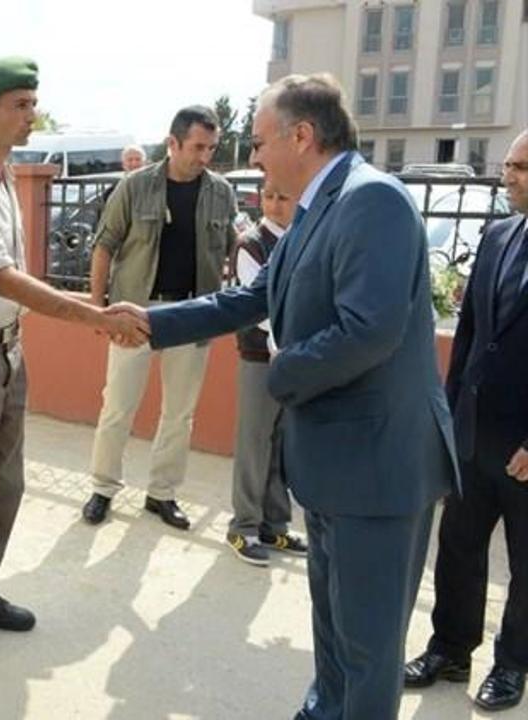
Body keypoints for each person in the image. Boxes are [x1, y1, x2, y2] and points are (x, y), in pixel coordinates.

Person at [107, 73, 458, 719]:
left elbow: (369, 330)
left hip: (377, 468)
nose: (254, 156)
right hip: (332, 463)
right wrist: (153, 322)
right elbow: (253, 296)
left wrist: (279, 373)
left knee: (367, 647)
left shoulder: (372, 200)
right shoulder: (320, 205)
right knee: (333, 631)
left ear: (302, 135)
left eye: (260, 140)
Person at [0, 56, 146, 665]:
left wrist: (89, 308)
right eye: (20, 105)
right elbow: (3, 279)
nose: (32, 115)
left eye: (33, 103)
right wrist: (96, 316)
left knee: (3, 482)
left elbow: (15, 283)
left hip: (4, 349)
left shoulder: (0, 177)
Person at [403, 128, 528, 712]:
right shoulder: (499, 235)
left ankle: (513, 664)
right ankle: (450, 649)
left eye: (521, 167)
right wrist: (448, 416)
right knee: (458, 545)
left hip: (525, 444)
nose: (508, 176)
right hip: (475, 431)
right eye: (509, 165)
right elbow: (473, 334)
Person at [82, 106, 238, 530]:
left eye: (211, 148)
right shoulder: (135, 186)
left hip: (193, 314)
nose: (205, 156)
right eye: (197, 147)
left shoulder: (221, 192)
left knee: (179, 414)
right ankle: (103, 488)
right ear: (173, 143)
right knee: (118, 406)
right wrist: (98, 309)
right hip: (135, 311)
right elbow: (104, 246)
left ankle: (162, 494)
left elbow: (234, 247)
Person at [225, 181, 307, 566]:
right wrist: (289, 342)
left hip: (292, 357)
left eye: (283, 197)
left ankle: (275, 524)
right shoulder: (251, 244)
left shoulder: (302, 238)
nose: (275, 204)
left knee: (280, 444)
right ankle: (243, 526)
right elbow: (258, 307)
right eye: (269, 197)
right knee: (254, 443)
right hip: (261, 356)